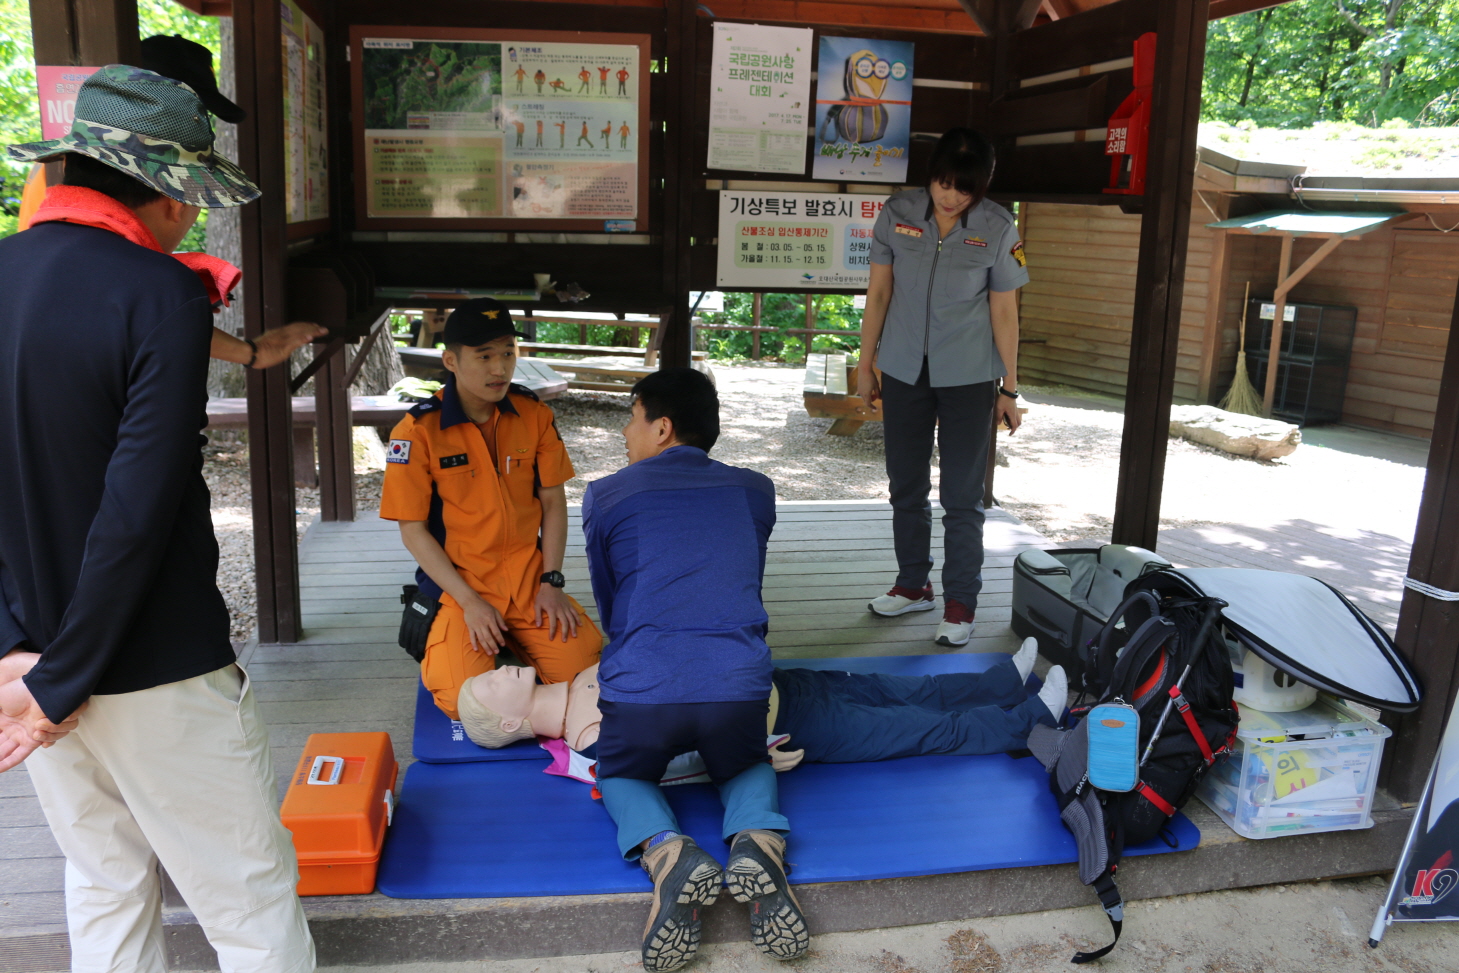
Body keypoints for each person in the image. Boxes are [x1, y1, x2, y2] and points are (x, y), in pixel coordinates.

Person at [0, 66, 315, 972]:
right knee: (247, 902)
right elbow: (136, 510)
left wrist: (22, 655)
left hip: (30, 664)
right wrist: (64, 677)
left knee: (103, 884)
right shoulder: (162, 293)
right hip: (154, 665)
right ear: (171, 194)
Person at [582, 368, 808, 971]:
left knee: (620, 774)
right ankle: (759, 841)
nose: (625, 432)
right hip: (736, 688)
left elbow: (612, 602)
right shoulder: (756, 490)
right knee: (745, 763)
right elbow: (740, 579)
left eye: (631, 418)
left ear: (661, 427)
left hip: (643, 691)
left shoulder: (606, 495)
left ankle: (665, 851)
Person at [379, 299, 602, 720]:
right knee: (467, 704)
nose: (500, 368)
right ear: (451, 361)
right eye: (484, 356)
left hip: (529, 582)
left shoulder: (534, 415)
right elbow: (413, 530)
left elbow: (553, 502)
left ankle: (514, 647)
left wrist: (552, 581)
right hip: (460, 589)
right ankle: (501, 650)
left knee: (585, 678)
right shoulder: (417, 431)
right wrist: (470, 602)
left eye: (508, 353)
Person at [855, 128, 1028, 648]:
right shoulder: (898, 213)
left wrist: (1010, 388)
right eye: (943, 183)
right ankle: (913, 584)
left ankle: (960, 603)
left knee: (962, 496)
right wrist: (866, 366)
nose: (950, 196)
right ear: (931, 175)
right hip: (902, 370)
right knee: (905, 485)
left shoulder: (999, 227)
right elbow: (879, 292)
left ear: (982, 186)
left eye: (964, 189)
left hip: (970, 377)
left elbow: (1005, 311)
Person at [455, 638, 1067, 771]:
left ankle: (1001, 682)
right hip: (788, 725)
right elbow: (677, 766)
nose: (497, 671)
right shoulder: (590, 738)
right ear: (509, 720)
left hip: (775, 682)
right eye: (489, 684)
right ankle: (1031, 720)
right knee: (922, 727)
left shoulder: (578, 672)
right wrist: (750, 756)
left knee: (903, 689)